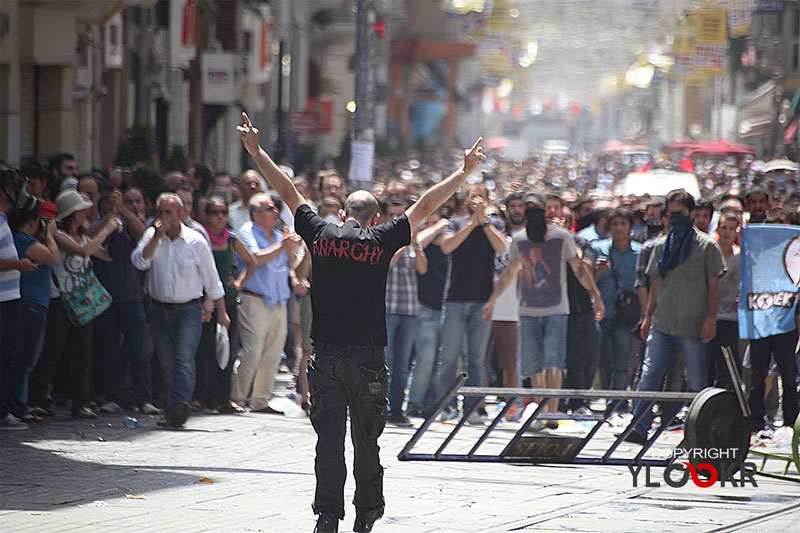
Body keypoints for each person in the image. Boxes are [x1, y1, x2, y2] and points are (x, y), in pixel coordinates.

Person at [237, 111, 485, 533]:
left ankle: (328, 515)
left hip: (327, 355)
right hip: (369, 357)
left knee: (328, 441)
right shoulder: (382, 239)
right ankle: (366, 514)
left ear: (344, 214)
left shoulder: (320, 233)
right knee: (366, 442)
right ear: (373, 218)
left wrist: (257, 151)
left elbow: (288, 189)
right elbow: (426, 204)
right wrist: (463, 172)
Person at [483, 195, 604, 428]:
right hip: (528, 309)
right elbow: (510, 272)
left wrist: (596, 296)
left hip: (556, 308)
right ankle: (541, 411)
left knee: (554, 361)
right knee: (533, 363)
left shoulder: (562, 236)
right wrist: (492, 300)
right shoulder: (519, 239)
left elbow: (578, 269)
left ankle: (553, 411)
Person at [625, 189, 726, 444]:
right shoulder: (662, 245)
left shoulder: (707, 247)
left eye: (680, 213)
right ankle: (639, 427)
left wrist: (711, 319)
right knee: (650, 375)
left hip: (692, 325)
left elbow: (714, 286)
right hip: (662, 323)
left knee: (696, 381)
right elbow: (656, 283)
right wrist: (648, 317)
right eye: (671, 214)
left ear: (691, 214)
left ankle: (699, 433)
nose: (675, 218)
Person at [131, 193, 230, 428]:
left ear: (180, 214)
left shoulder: (196, 241)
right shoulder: (151, 235)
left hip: (189, 311)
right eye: (161, 212)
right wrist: (157, 236)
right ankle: (171, 409)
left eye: (169, 213)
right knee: (167, 364)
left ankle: (179, 405)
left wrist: (222, 311)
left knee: (184, 359)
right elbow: (139, 262)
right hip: (159, 309)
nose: (164, 217)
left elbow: (212, 279)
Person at [29, 190, 121, 419]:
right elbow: (83, 251)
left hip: (83, 301)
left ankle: (81, 403)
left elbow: (104, 255)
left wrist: (114, 225)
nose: (87, 211)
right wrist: (107, 228)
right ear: (72, 213)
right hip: (60, 300)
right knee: (54, 351)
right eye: (82, 208)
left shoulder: (83, 235)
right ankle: (35, 398)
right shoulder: (59, 235)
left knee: (83, 354)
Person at [438, 183, 507, 423]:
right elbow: (447, 246)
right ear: (465, 201)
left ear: (488, 200)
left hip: (482, 299)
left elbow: (501, 248)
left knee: (477, 359)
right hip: (455, 298)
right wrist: (471, 223)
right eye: (472, 197)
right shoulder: (455, 223)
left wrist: (484, 222)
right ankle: (445, 407)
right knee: (449, 357)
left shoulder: (496, 224)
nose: (476, 200)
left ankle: (473, 408)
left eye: (481, 197)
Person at [229, 192, 300, 414]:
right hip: (255, 299)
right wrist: (282, 247)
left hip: (279, 301)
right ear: (256, 213)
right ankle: (237, 398)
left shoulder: (280, 235)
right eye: (270, 209)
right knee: (252, 352)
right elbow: (255, 258)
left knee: (272, 354)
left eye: (275, 208)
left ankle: (260, 401)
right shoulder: (247, 232)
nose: (276, 212)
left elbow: (289, 264)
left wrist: (291, 251)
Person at [9, 208, 59, 424]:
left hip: (33, 305)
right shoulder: (23, 240)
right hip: (31, 306)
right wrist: (50, 234)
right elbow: (53, 257)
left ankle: (19, 404)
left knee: (25, 359)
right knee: (25, 360)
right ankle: (19, 406)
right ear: (31, 222)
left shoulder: (19, 240)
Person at [384, 201, 427, 425]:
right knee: (385, 362)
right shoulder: (384, 240)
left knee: (402, 365)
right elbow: (386, 265)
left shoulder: (413, 244)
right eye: (392, 215)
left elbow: (423, 269)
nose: (395, 219)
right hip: (388, 310)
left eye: (399, 216)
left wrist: (416, 245)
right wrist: (402, 245)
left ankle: (397, 409)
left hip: (410, 311)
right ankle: (379, 407)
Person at [592, 209, 642, 392]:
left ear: (630, 227)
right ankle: (605, 397)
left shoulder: (640, 251)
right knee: (602, 361)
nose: (619, 228)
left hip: (626, 315)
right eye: (615, 224)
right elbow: (588, 283)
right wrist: (597, 271)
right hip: (602, 312)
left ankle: (618, 402)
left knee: (622, 361)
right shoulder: (598, 249)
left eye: (623, 224)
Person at [705, 212, 741, 389]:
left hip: (731, 318)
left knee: (728, 366)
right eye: (724, 227)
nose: (728, 232)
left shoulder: (740, 257)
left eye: (732, 229)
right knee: (707, 363)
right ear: (718, 229)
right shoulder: (709, 252)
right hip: (707, 315)